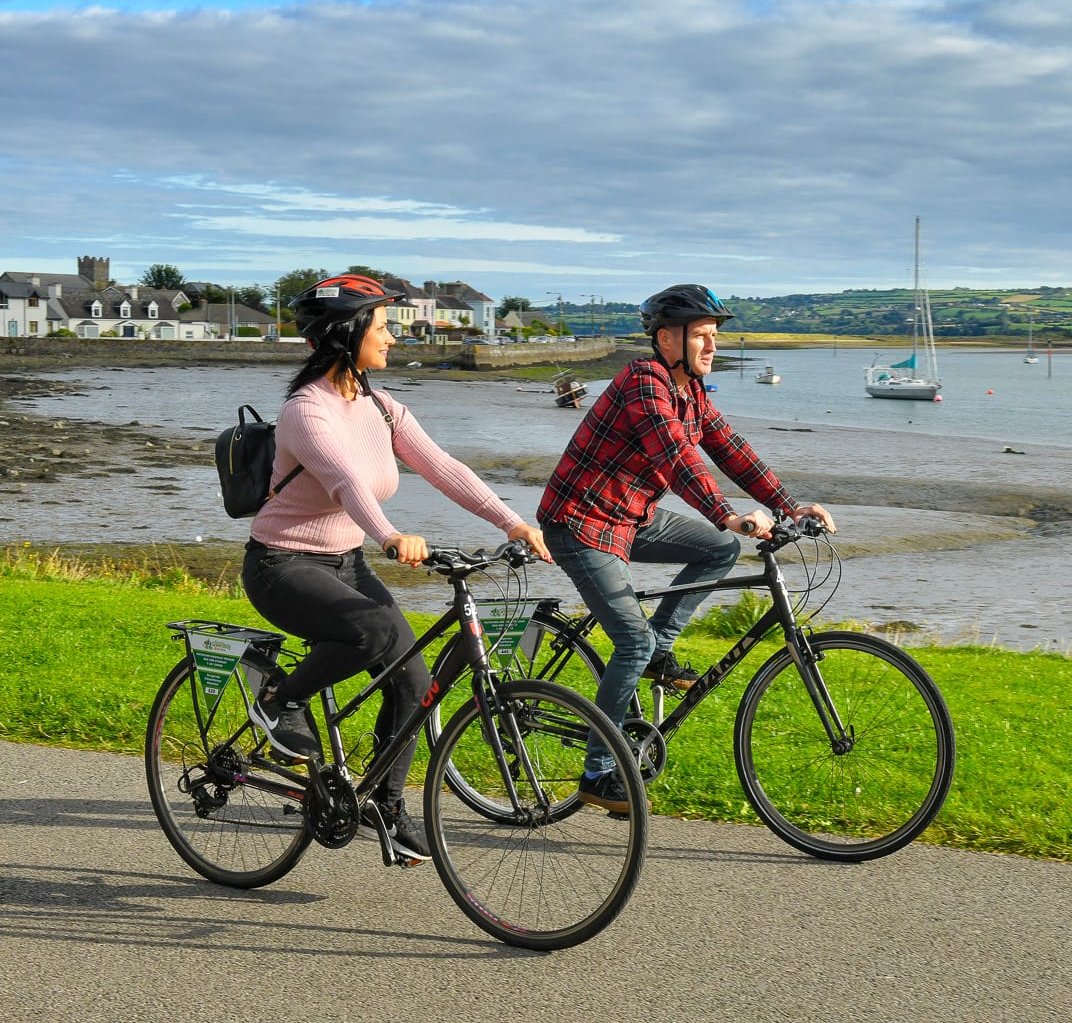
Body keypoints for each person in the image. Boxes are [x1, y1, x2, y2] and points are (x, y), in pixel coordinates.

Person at [242, 273, 550, 863]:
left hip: (346, 562)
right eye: (381, 328)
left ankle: (386, 803)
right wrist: (388, 536)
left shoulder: (382, 407)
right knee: (373, 631)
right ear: (345, 334)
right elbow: (346, 482)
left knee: (413, 678)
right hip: (280, 564)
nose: (391, 338)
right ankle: (278, 698)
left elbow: (444, 467)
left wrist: (512, 522)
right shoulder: (307, 413)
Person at [537, 283, 833, 815]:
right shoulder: (642, 381)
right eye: (703, 336)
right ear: (667, 339)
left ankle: (658, 650)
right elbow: (676, 455)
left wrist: (789, 506)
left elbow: (731, 449)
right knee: (629, 641)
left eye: (715, 336)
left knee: (718, 549)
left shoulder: (690, 390)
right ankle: (598, 770)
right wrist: (726, 512)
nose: (713, 347)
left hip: (631, 519)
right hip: (580, 523)